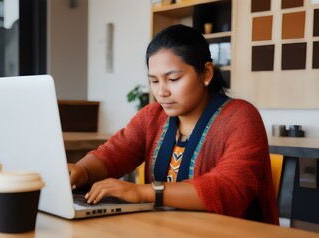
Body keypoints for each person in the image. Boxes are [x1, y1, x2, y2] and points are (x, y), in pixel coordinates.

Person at [68, 24, 279, 225]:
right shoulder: (152, 116)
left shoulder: (241, 117)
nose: (162, 92)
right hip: (168, 230)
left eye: (174, 79)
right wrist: (81, 170)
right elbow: (114, 153)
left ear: (206, 73)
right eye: (154, 80)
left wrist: (142, 192)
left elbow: (229, 188)